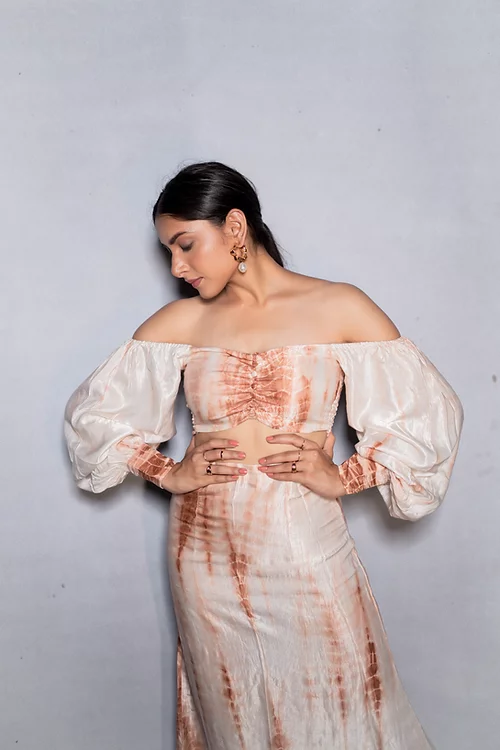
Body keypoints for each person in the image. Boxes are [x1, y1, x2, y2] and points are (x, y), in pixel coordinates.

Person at [64, 161, 464, 749]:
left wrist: (346, 477)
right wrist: (165, 471)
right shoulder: (182, 321)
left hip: (302, 539)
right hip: (203, 555)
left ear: (234, 226)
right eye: (168, 251)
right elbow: (93, 419)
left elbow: (428, 419)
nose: (176, 267)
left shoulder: (339, 306)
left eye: (184, 245)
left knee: (341, 701)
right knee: (232, 711)